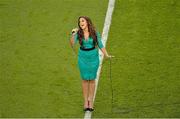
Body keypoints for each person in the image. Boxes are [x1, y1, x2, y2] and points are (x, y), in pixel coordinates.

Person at [70, 16, 113, 112]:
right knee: (85, 80)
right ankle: (86, 102)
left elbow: (100, 45)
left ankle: (91, 101)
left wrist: (106, 55)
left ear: (87, 22)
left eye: (82, 20)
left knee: (92, 80)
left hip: (93, 59)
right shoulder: (79, 33)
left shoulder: (94, 33)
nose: (81, 23)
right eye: (79, 21)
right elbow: (72, 44)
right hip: (83, 59)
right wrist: (73, 34)